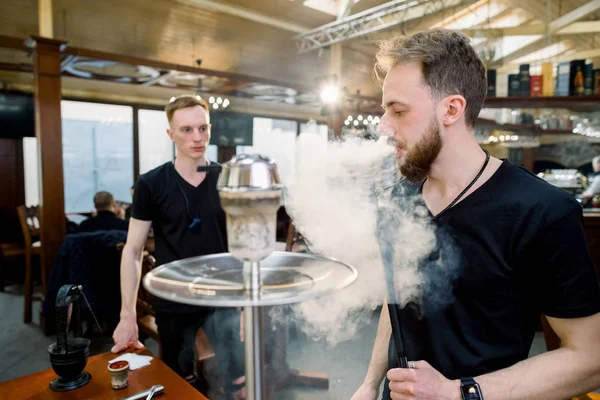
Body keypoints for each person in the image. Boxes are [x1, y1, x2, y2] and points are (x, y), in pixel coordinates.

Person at [351, 29, 600, 400]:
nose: (385, 127)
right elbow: (397, 302)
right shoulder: (398, 200)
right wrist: (370, 385)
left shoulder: (542, 212)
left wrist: (459, 392)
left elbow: (590, 358)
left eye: (399, 111)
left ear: (451, 109)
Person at [111, 94, 246, 399]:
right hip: (173, 297)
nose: (197, 137)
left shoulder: (228, 179)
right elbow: (133, 252)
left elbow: (242, 248)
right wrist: (127, 315)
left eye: (203, 128)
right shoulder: (151, 183)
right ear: (171, 134)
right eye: (186, 130)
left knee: (238, 382)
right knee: (177, 385)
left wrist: (244, 306)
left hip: (222, 297)